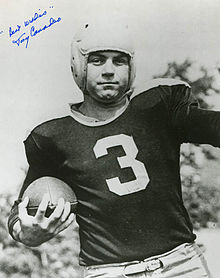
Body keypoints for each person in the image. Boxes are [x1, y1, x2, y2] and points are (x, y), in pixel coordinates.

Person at [8, 20, 219, 278]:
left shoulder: (160, 107)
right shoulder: (52, 135)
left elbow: (213, 126)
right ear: (78, 64)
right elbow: (18, 216)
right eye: (97, 60)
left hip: (180, 264)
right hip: (107, 272)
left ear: (131, 66)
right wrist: (28, 233)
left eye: (119, 61)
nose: (109, 70)